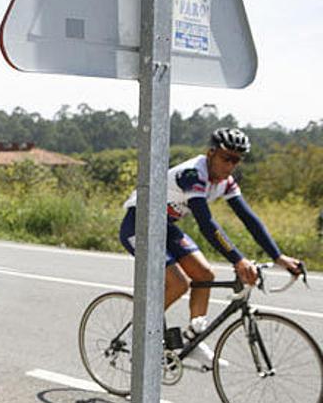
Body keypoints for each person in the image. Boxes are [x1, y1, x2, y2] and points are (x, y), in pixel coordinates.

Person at [118, 128, 303, 369]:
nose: (230, 165)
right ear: (211, 153)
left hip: (164, 226)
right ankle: (140, 338)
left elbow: (249, 218)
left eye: (236, 160)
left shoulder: (225, 182)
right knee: (178, 283)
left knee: (205, 275)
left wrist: (278, 256)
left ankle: (193, 339)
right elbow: (206, 224)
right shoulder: (194, 174)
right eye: (226, 158)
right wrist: (238, 259)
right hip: (138, 225)